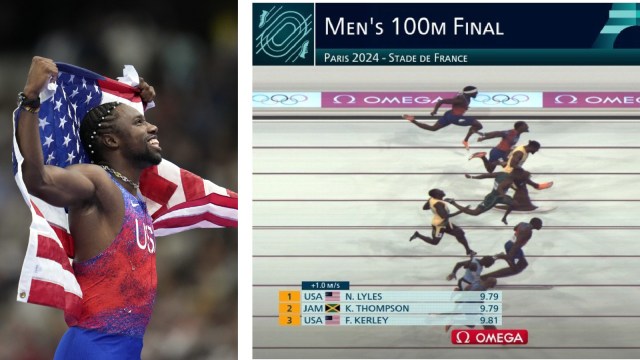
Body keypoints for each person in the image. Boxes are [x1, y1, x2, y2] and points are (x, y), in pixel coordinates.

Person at [17, 56, 163, 358]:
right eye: (139, 123)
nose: (153, 127)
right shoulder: (98, 182)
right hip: (93, 346)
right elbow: (39, 179)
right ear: (111, 140)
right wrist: (31, 98)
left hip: (125, 348)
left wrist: (140, 104)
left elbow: (139, 146)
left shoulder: (133, 191)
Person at [403, 86, 484, 150]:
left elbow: (459, 104)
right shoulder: (460, 100)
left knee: (433, 128)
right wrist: (434, 111)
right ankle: (465, 140)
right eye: (475, 93)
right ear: (470, 93)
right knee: (478, 125)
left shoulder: (465, 97)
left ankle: (412, 120)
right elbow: (441, 101)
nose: (477, 94)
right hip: (455, 118)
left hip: (449, 114)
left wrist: (463, 107)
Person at [409, 188, 476, 256]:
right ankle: (418, 235)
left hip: (445, 223)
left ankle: (468, 251)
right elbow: (445, 216)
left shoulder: (432, 199)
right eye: (440, 191)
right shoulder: (438, 204)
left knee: (459, 232)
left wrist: (434, 208)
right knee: (435, 242)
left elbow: (425, 207)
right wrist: (463, 210)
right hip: (439, 225)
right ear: (437, 195)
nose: (442, 191)